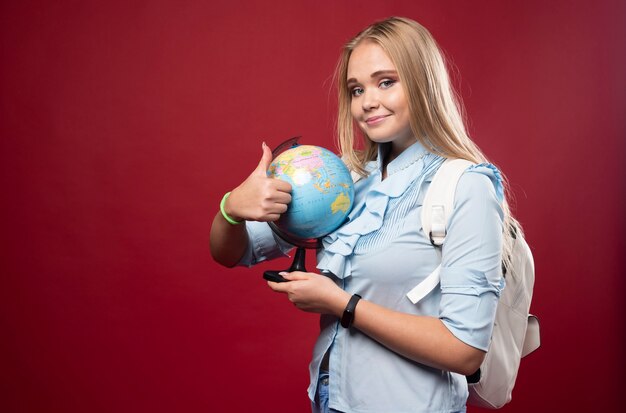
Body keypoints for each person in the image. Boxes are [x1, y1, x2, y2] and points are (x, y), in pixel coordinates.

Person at [210, 16, 520, 413]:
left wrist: (342, 304)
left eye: (386, 82)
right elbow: (231, 253)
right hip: (330, 401)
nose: (367, 101)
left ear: (423, 82)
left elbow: (464, 351)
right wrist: (231, 209)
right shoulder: (344, 180)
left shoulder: (466, 185)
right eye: (356, 89)